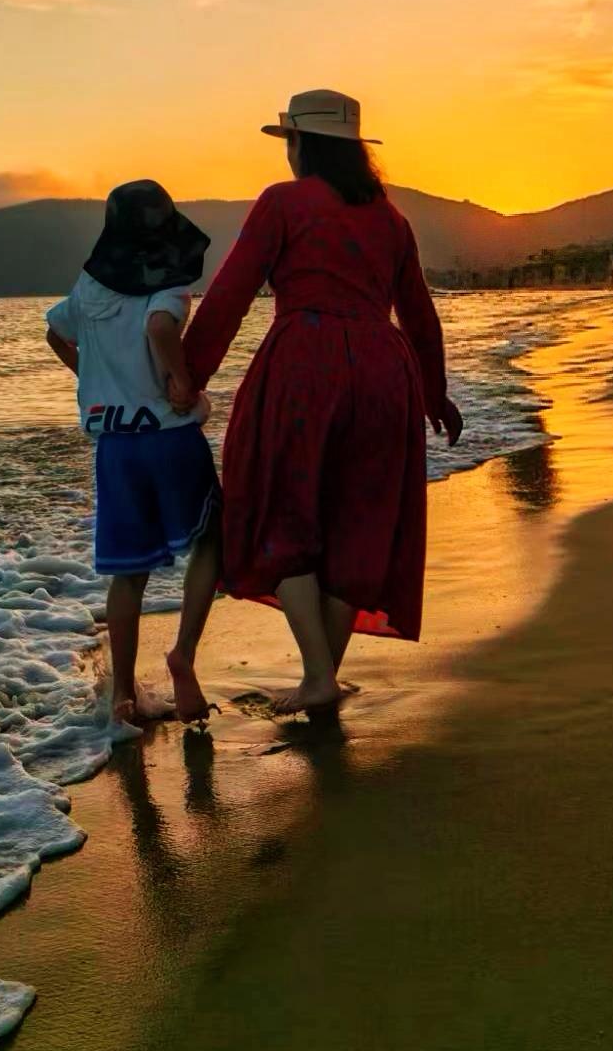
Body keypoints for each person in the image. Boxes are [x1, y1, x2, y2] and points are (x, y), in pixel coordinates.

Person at [182, 90, 464, 716]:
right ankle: (321, 679)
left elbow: (229, 294)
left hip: (306, 363)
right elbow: (419, 312)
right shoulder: (391, 219)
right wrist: (435, 392)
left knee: (278, 510)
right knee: (358, 526)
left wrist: (188, 375)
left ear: (300, 145)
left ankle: (317, 676)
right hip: (387, 370)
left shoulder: (282, 202)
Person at [46, 181, 222, 728]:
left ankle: (123, 695)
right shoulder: (165, 283)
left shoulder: (91, 287)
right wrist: (180, 379)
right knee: (214, 538)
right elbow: (158, 326)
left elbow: (55, 330)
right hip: (168, 437)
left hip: (115, 446)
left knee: (129, 573)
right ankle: (183, 657)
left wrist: (92, 380)